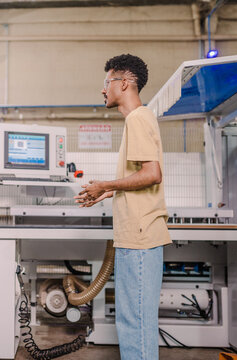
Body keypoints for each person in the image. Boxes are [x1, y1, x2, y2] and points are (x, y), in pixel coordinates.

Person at [75, 54, 171, 360]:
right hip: (136, 236)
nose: (103, 90)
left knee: (136, 323)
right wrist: (105, 194)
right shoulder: (139, 119)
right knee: (132, 322)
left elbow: (152, 174)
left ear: (125, 83)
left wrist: (107, 185)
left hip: (140, 239)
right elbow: (140, 177)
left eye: (107, 82)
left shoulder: (138, 118)